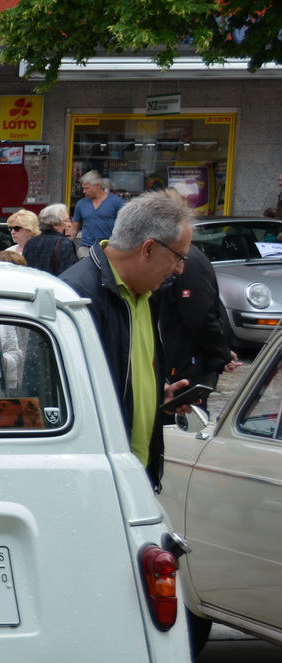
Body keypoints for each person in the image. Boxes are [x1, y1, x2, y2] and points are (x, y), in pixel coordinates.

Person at [60, 191, 193, 489]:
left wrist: (161, 396)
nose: (180, 268)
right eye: (178, 257)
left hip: (134, 472)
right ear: (148, 249)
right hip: (100, 481)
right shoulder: (78, 296)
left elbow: (125, 372)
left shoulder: (147, 291)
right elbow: (63, 398)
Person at [156, 241, 235, 403]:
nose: (178, 268)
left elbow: (202, 317)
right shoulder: (189, 258)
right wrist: (221, 354)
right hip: (185, 363)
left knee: (188, 415)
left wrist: (221, 355)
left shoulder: (189, 261)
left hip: (186, 366)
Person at [71, 171, 125, 250]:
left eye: (87, 188)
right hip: (86, 247)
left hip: (109, 247)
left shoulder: (117, 202)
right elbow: (74, 229)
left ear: (97, 186)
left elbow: (124, 227)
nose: (84, 191)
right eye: (83, 188)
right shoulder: (81, 204)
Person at [22, 204, 78, 275]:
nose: (69, 224)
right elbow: (68, 273)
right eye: (67, 221)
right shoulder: (64, 243)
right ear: (55, 225)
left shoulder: (30, 242)